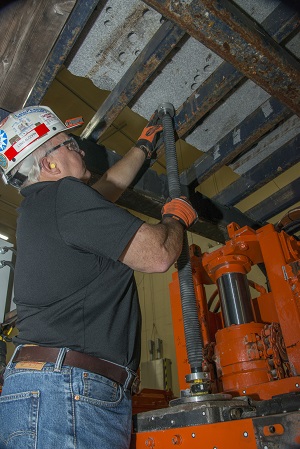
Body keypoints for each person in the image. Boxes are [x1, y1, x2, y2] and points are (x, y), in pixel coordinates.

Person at [0, 106, 197, 449]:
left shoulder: (41, 207)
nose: (81, 149)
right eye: (71, 145)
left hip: (49, 390)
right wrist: (175, 219)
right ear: (49, 164)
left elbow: (107, 189)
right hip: (68, 392)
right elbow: (159, 254)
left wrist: (143, 148)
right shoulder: (65, 198)